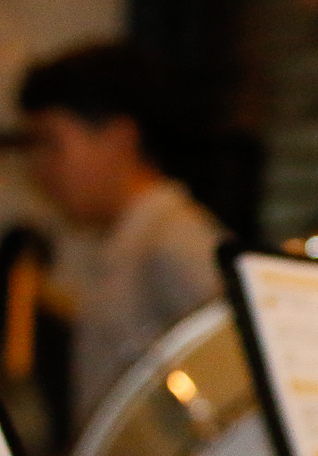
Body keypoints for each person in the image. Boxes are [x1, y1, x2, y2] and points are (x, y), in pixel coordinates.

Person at [19, 43, 224, 429]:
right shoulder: (129, 237)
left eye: (52, 143)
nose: (39, 169)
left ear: (119, 138)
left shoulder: (173, 238)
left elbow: (235, 373)